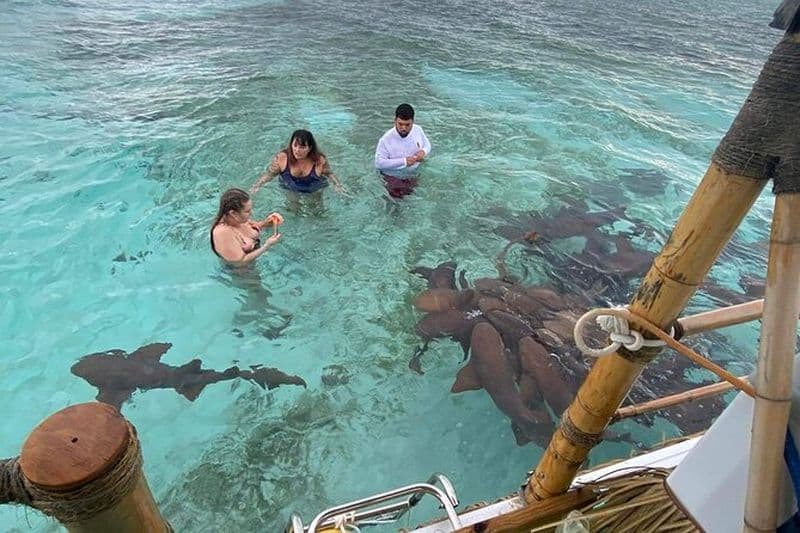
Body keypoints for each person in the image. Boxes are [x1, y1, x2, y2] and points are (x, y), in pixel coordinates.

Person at [250, 129, 344, 195]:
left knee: (317, 212)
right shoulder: (282, 158)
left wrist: (338, 186)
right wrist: (257, 186)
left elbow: (329, 174)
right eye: (295, 145)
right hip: (290, 188)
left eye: (302, 147)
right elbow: (270, 174)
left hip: (314, 189)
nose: (297, 150)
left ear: (310, 148)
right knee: (293, 210)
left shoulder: (319, 161)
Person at [210, 188, 283, 265]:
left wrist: (269, 221)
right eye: (247, 211)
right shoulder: (222, 233)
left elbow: (257, 226)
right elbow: (239, 262)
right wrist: (267, 246)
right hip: (243, 272)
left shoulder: (239, 220)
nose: (251, 213)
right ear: (233, 213)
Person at [374, 103, 431, 198]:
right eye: (400, 124)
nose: (403, 128)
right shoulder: (385, 140)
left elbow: (427, 144)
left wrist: (423, 152)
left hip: (414, 174)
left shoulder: (418, 130)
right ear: (395, 121)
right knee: (396, 204)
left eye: (407, 125)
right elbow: (378, 163)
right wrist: (403, 161)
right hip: (393, 178)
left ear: (413, 121)